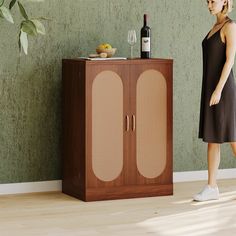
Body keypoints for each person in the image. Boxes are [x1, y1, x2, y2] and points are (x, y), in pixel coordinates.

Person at [195, 0, 236, 201]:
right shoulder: (215, 27)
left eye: (213, 1)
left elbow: (230, 61)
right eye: (208, 1)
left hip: (224, 90)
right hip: (211, 90)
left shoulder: (230, 26)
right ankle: (212, 187)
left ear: (225, 2)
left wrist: (219, 90)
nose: (209, 4)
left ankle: (212, 186)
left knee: (233, 138)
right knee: (213, 138)